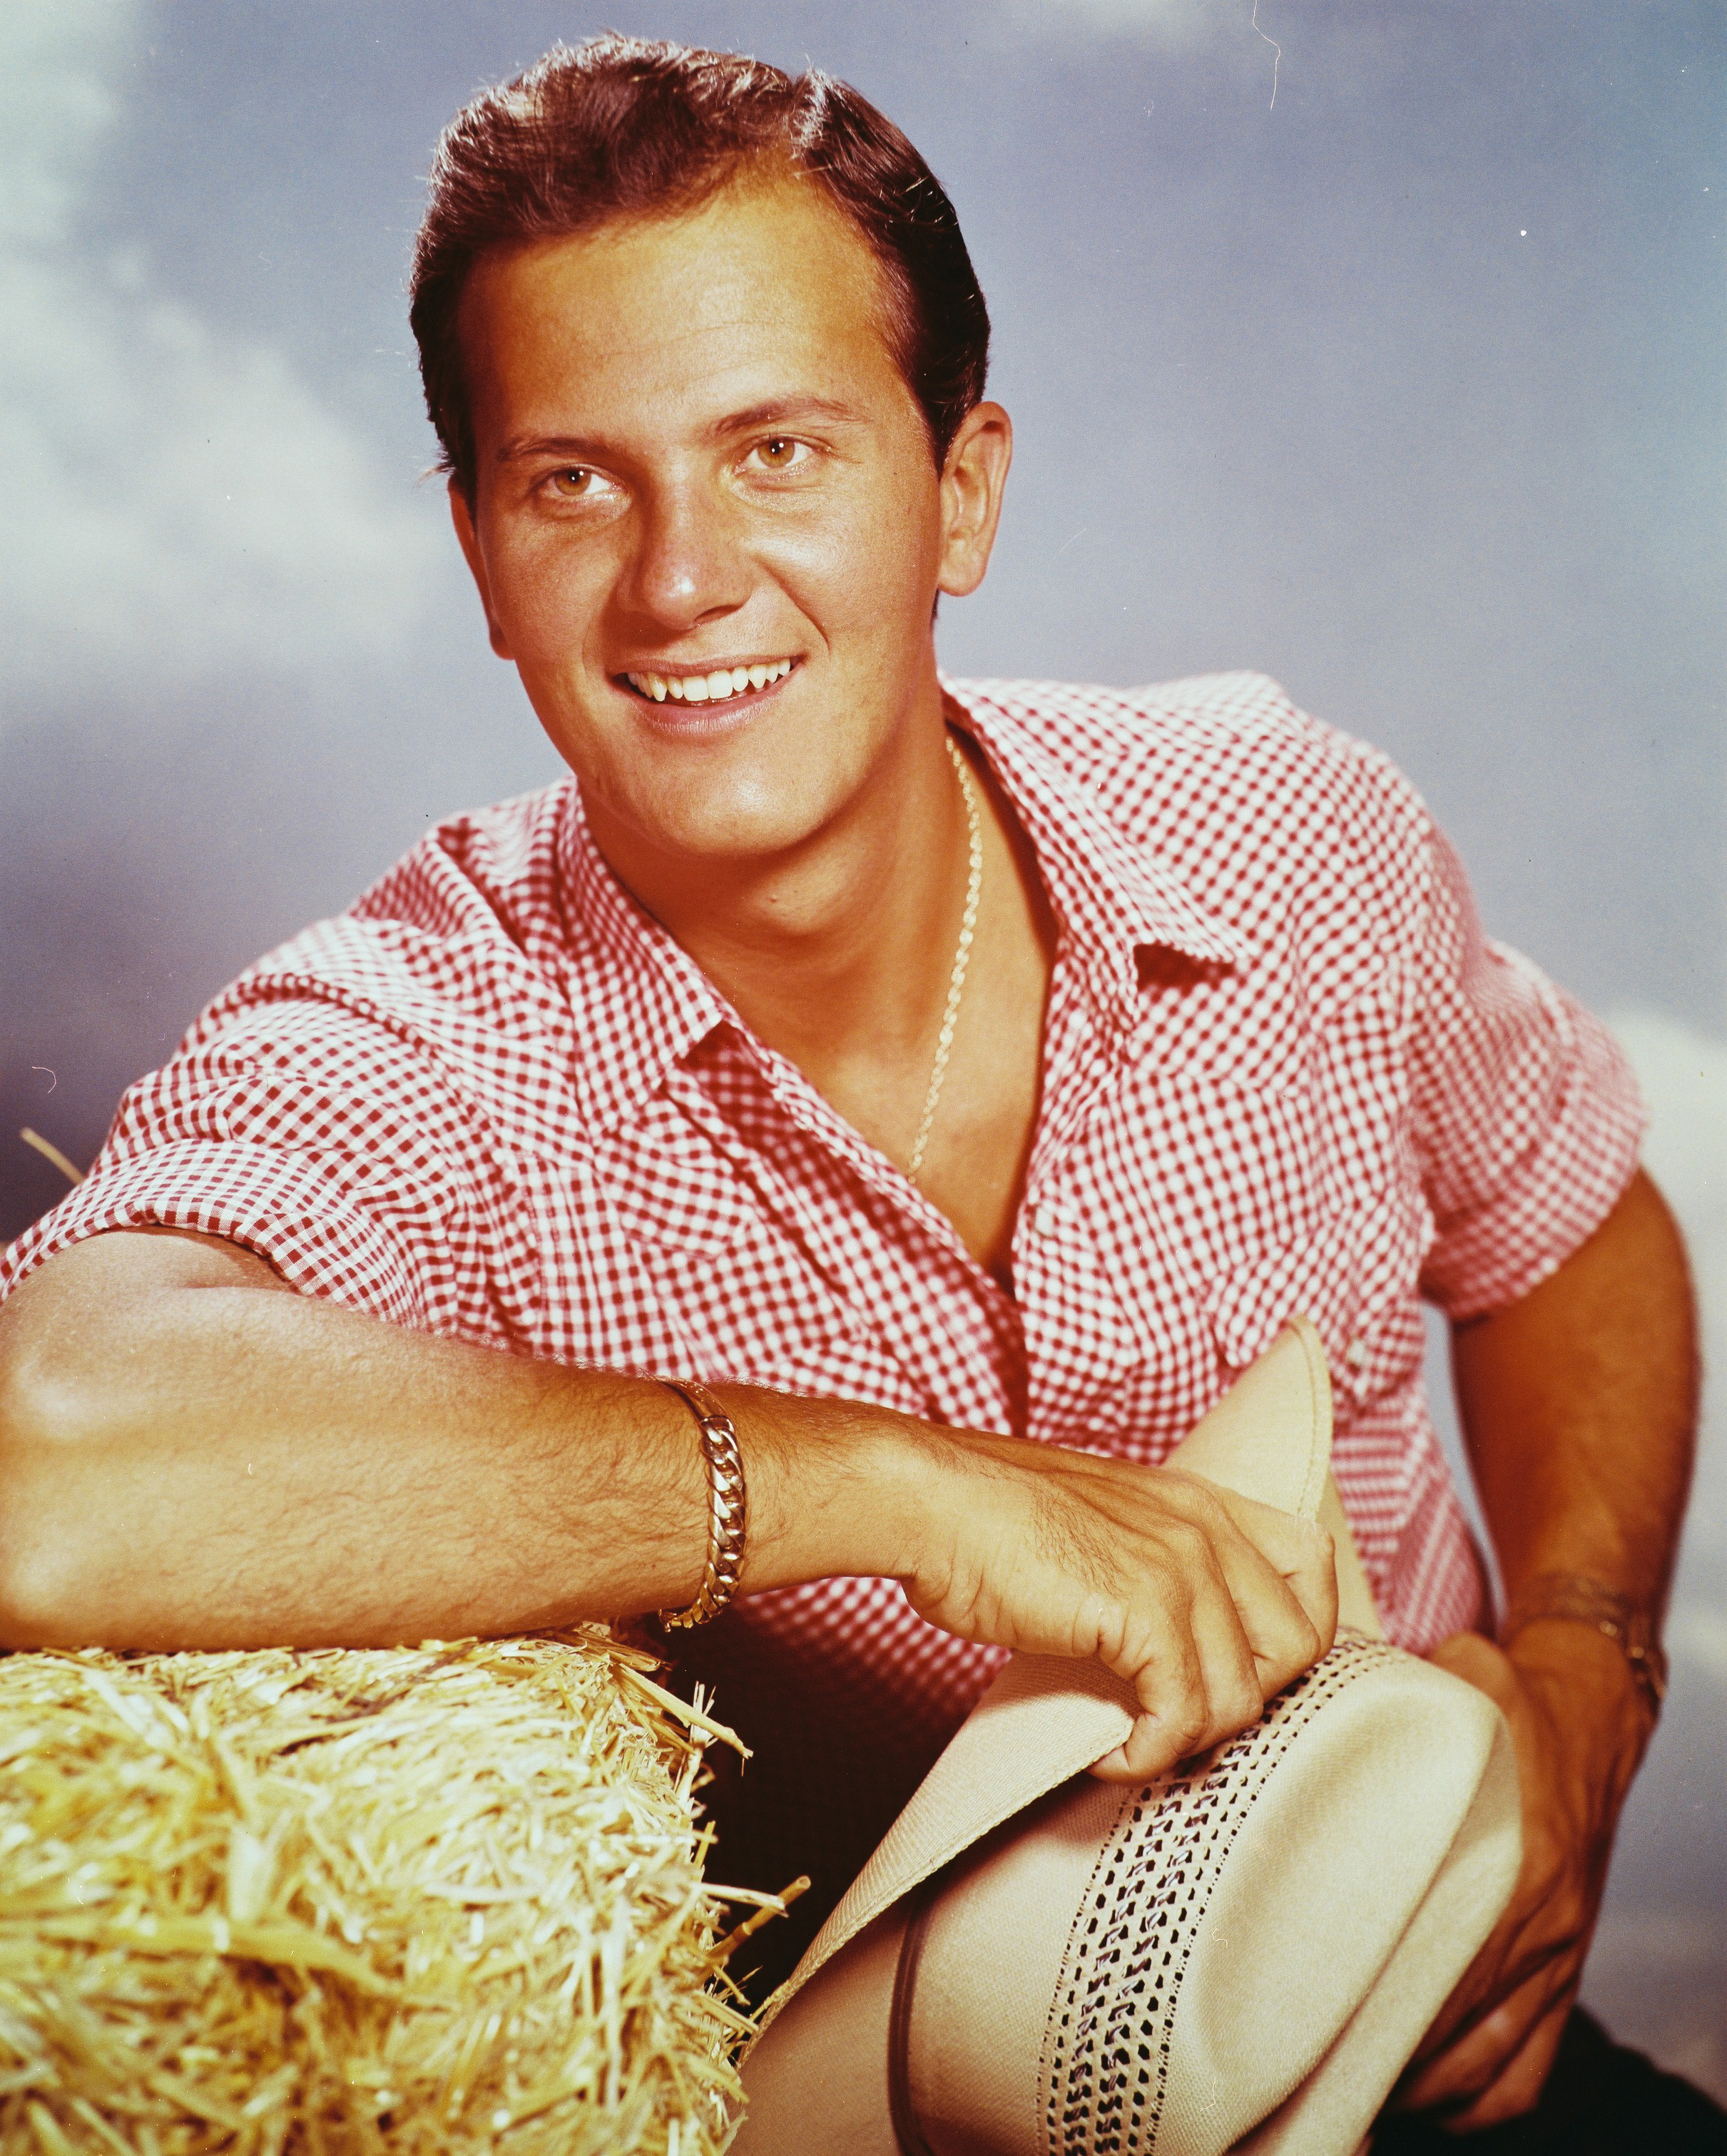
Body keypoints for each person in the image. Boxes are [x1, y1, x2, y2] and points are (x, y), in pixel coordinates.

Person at [0, 36, 1701, 2141]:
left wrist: (1588, 1681)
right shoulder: (421, 1037)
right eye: (572, 480)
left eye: (779, 452)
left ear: (960, 487)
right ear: (474, 551)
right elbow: (37, 1457)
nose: (682, 578)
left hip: (1459, 2071)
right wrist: (889, 1490)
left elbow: (1572, 1221)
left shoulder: (1293, 829)